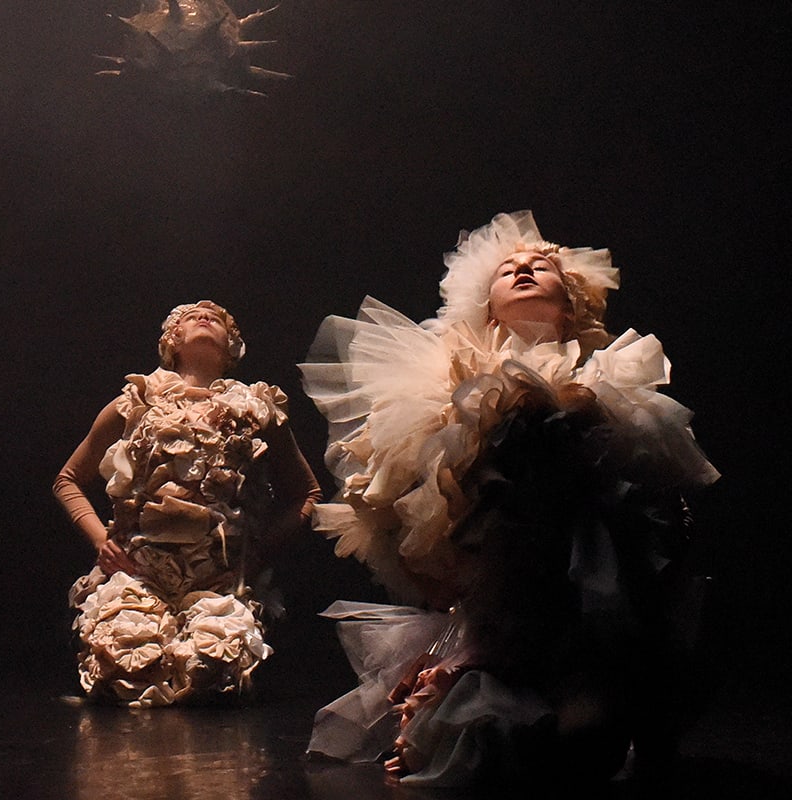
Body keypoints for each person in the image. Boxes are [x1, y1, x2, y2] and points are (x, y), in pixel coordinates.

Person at [299, 211, 719, 787]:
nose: (523, 270)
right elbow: (420, 518)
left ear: (569, 305)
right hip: (499, 609)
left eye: (540, 267)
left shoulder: (613, 382)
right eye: (508, 270)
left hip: (585, 605)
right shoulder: (440, 387)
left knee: (581, 737)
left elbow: (655, 506)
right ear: (489, 309)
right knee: (491, 742)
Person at [55, 300, 321, 707]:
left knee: (210, 672)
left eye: (218, 318)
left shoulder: (256, 407)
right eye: (190, 316)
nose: (204, 316)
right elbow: (68, 479)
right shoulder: (138, 399)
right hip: (140, 576)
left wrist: (260, 551)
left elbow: (308, 493)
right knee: (127, 668)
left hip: (220, 584)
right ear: (172, 339)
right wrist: (100, 541)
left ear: (231, 345)